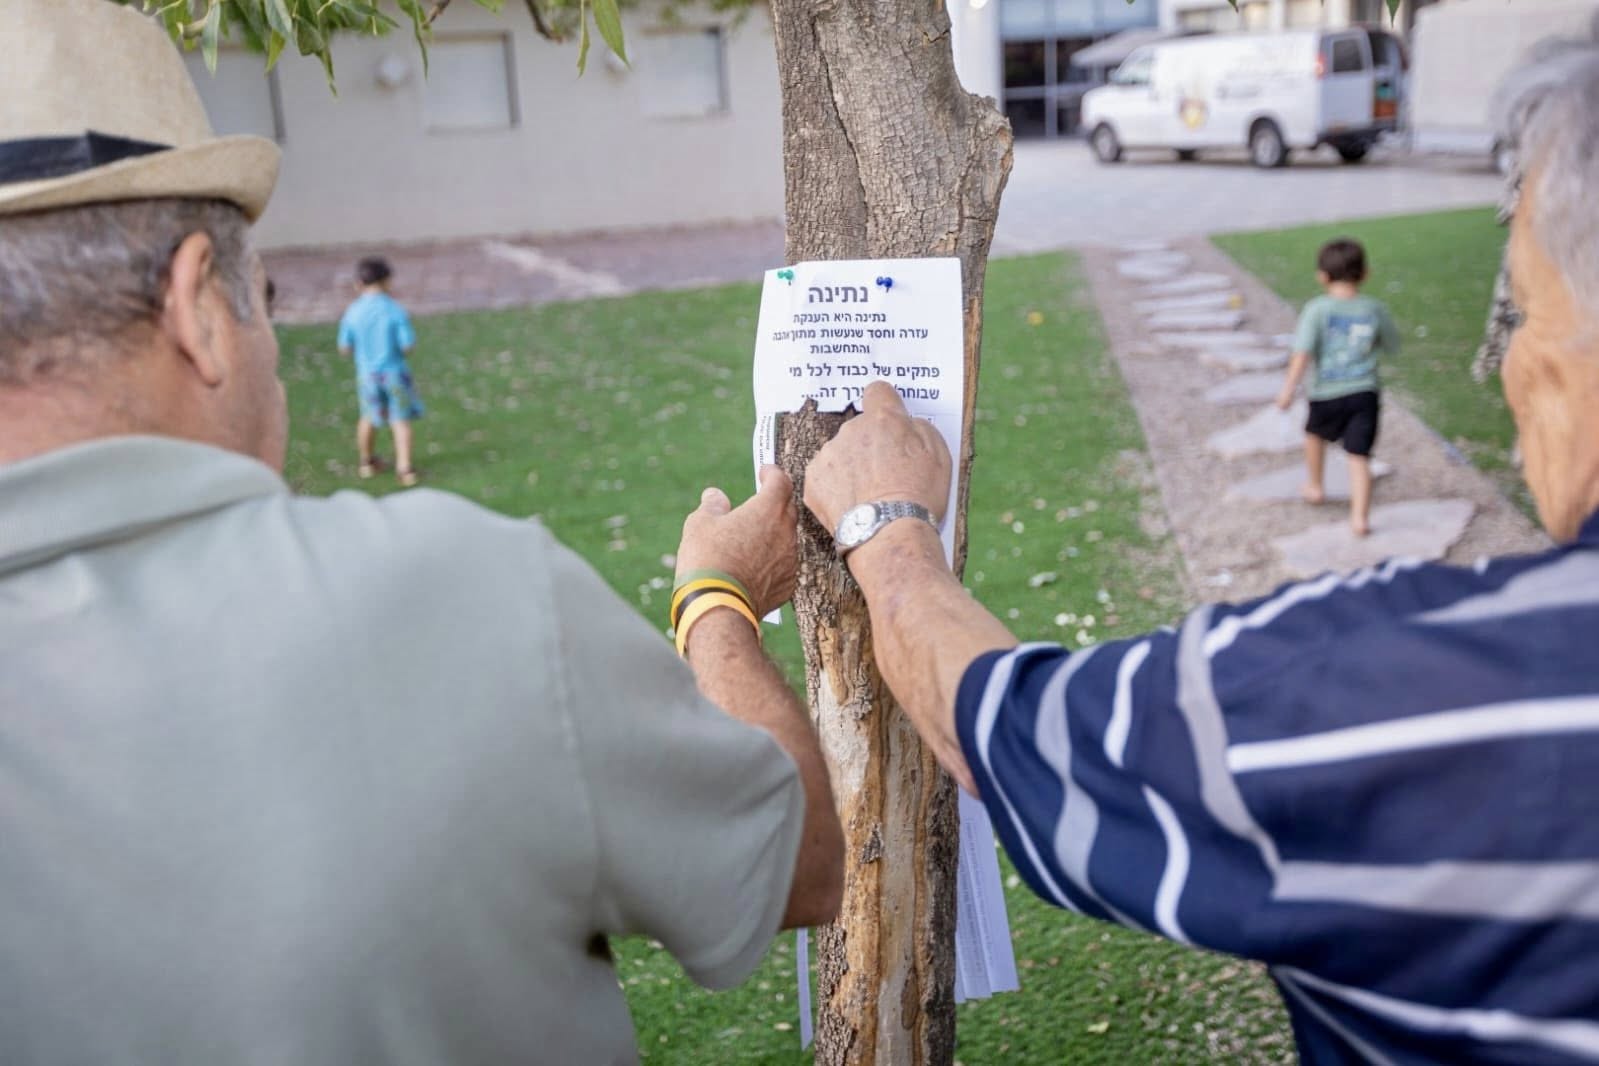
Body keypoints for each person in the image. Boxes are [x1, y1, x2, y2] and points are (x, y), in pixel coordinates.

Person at [0, 2, 842, 1063]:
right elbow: (801, 857)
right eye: (261, 296)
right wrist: (714, 599)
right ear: (196, 312)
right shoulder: (461, 592)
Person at [794, 31, 1599, 1066]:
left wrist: (887, 531)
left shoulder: (1404, 699)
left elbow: (1018, 735)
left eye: (1523, 311)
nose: (1506, 365)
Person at [1274, 238, 1401, 537]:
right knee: (1359, 455)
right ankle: (1360, 518)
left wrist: (1288, 389)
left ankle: (1316, 486)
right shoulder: (1375, 309)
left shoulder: (1317, 310)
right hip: (1364, 393)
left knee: (1314, 435)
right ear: (1365, 273)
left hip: (1326, 392)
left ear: (1322, 275)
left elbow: (1302, 352)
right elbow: (1392, 344)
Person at [338, 256, 424, 485]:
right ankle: (405, 468)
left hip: (367, 375)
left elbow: (344, 347)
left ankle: (367, 462)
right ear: (387, 282)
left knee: (368, 417)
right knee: (400, 419)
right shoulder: (395, 311)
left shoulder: (352, 312)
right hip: (395, 373)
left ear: (358, 283)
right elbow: (407, 345)